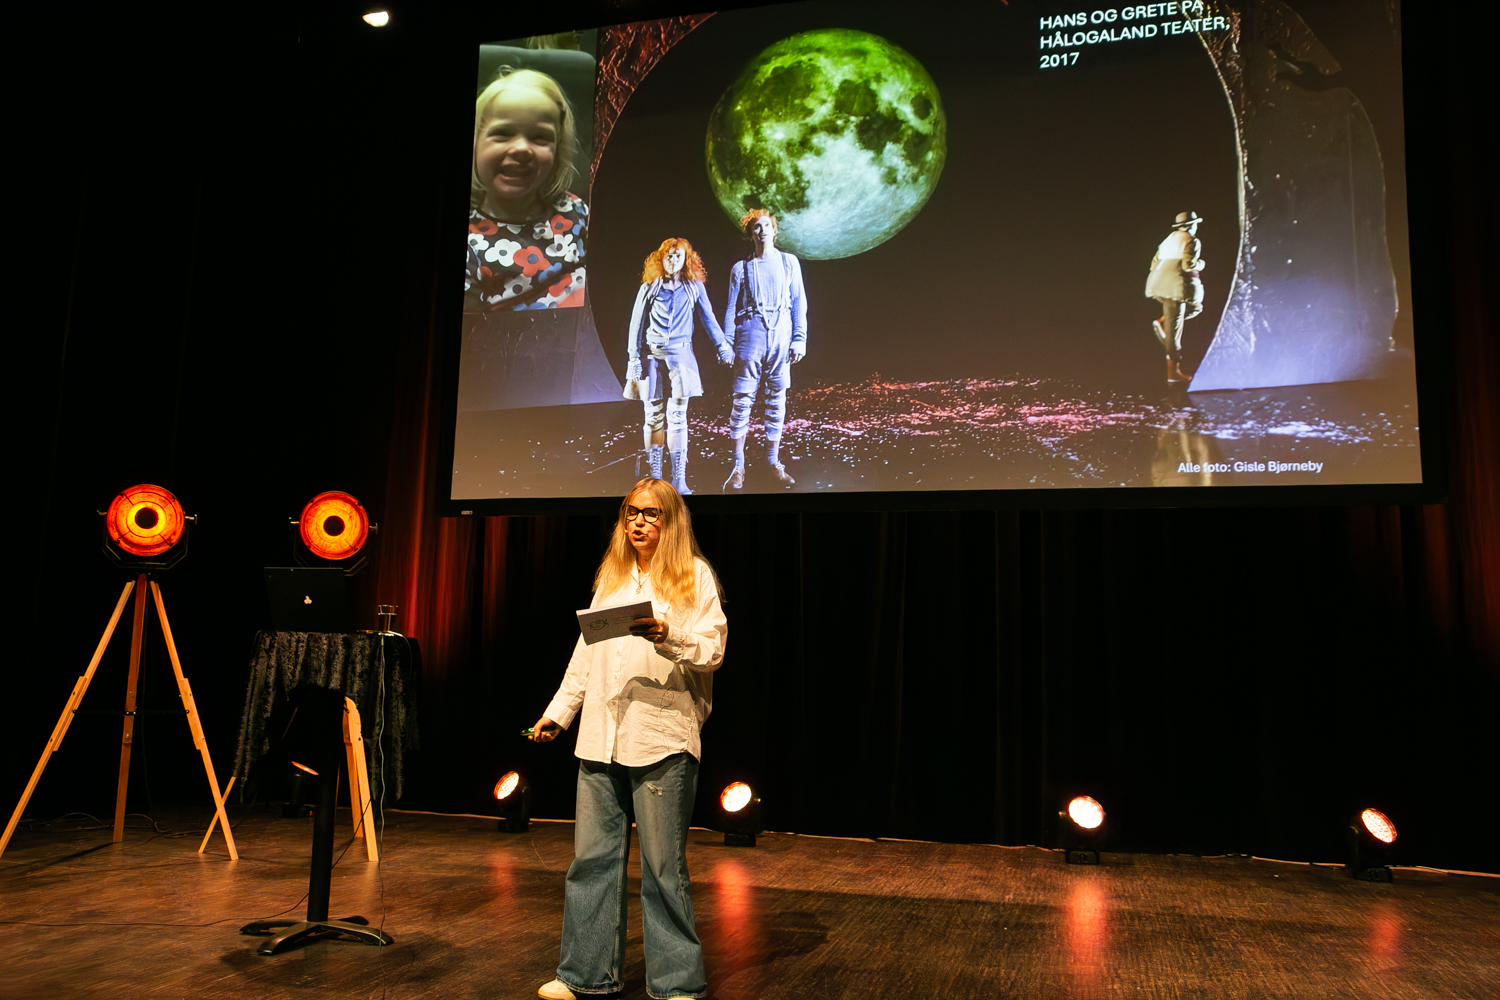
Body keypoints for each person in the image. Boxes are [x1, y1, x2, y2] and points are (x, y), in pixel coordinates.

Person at [531, 478, 726, 1000]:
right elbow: (585, 655)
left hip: (661, 737)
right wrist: (559, 713)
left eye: (652, 514)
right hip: (600, 735)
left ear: (671, 521)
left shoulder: (694, 577)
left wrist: (671, 636)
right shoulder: (612, 580)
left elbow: (714, 651)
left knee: (664, 868)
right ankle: (585, 975)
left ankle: (676, 983)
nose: (639, 522)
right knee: (591, 861)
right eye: (631, 513)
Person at [461, 67, 618, 409]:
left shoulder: (576, 211)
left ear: (558, 151)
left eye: (539, 137)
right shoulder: (470, 241)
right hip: (519, 379)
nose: (521, 148)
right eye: (502, 134)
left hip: (588, 366)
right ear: (473, 144)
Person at [624, 240, 734, 495]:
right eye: (669, 256)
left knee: (678, 417)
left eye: (678, 256)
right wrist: (633, 359)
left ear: (687, 259)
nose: (673, 260)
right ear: (661, 259)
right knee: (653, 417)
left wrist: (722, 346)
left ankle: (679, 480)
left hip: (681, 356)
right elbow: (635, 326)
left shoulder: (693, 287)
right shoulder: (650, 288)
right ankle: (654, 480)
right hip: (652, 356)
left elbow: (709, 318)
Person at [722, 209, 808, 490]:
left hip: (780, 335)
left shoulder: (789, 263)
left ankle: (773, 461)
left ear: (774, 229)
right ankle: (737, 466)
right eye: (756, 228)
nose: (761, 231)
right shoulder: (741, 268)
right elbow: (731, 308)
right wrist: (726, 343)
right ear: (751, 234)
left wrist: (799, 338)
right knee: (742, 401)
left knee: (776, 401)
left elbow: (798, 302)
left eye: (766, 226)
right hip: (750, 335)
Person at [1145, 210, 1206, 384]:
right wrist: (1202, 263)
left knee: (1191, 310)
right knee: (1174, 331)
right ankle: (1173, 374)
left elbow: (1153, 264)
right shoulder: (1191, 241)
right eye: (1195, 224)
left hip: (1157, 284)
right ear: (1189, 226)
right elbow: (1188, 265)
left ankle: (1163, 321)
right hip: (1174, 286)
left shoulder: (1166, 241)